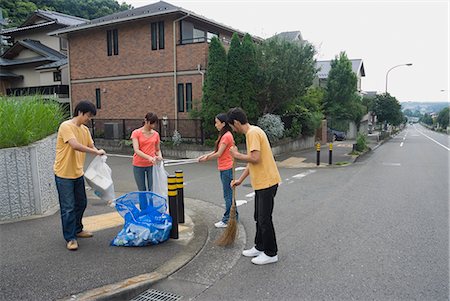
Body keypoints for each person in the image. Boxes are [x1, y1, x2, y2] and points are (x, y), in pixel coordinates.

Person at [227, 107, 281, 265]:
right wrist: (240, 180)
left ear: (236, 122)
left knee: (265, 219)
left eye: (232, 126)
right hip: (262, 183)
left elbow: (255, 158)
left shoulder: (252, 133)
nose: (233, 129)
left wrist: (236, 155)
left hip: (267, 182)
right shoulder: (253, 132)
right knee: (259, 217)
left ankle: (271, 253)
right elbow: (252, 162)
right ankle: (260, 246)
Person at [54, 100, 106, 251]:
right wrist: (96, 152)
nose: (89, 119)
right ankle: (70, 238)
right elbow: (75, 145)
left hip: (77, 173)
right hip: (63, 174)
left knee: (81, 203)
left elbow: (91, 146)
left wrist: (98, 153)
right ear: (80, 112)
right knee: (68, 207)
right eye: (88, 116)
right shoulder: (66, 126)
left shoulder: (84, 130)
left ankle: (77, 229)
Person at [198, 113, 238, 228]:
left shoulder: (226, 136)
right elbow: (217, 151)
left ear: (223, 123)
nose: (215, 125)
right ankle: (234, 217)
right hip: (225, 167)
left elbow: (219, 154)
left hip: (227, 168)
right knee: (230, 194)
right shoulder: (225, 135)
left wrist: (206, 158)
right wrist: (205, 156)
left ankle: (227, 220)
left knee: (228, 195)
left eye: (217, 122)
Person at [130, 112, 162, 192]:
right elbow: (136, 150)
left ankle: (151, 205)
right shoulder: (136, 133)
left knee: (152, 188)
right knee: (142, 190)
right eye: (151, 124)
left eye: (154, 124)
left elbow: (157, 150)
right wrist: (149, 157)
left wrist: (160, 156)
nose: (153, 126)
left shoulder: (156, 134)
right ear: (146, 121)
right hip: (138, 164)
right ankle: (143, 205)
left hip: (152, 165)